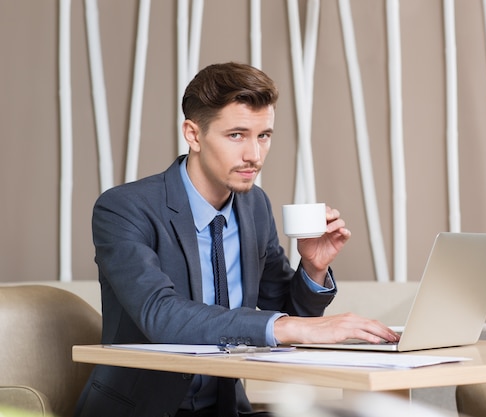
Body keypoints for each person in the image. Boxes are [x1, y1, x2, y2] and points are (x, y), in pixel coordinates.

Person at [74, 62, 399, 417]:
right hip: (141, 410)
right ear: (193, 134)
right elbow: (160, 314)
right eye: (237, 135)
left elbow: (289, 312)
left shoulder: (254, 206)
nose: (254, 156)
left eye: (264, 136)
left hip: (226, 408)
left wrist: (313, 267)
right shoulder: (124, 208)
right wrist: (288, 325)